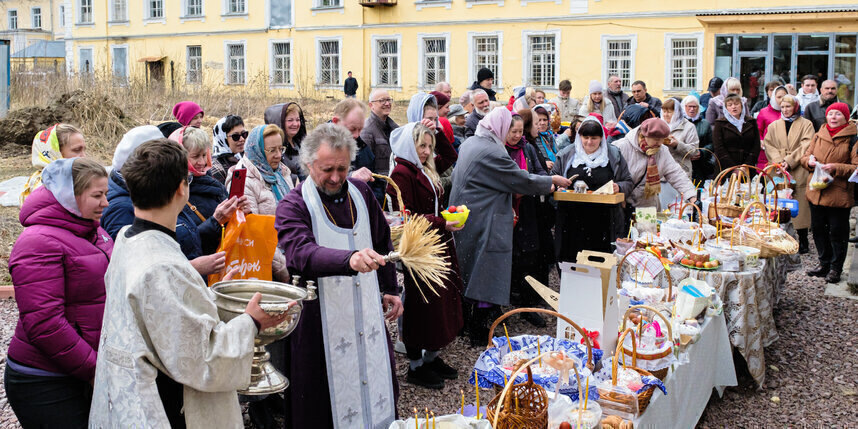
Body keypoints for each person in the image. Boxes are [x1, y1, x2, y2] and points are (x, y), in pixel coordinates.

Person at [89, 139, 289, 428]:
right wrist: (251, 322)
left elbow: (157, 316)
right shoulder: (162, 266)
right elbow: (203, 359)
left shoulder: (128, 239)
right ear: (183, 189)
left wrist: (208, 297)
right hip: (169, 405)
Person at [275, 123, 402, 428]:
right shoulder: (293, 204)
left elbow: (381, 239)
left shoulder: (359, 192)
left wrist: (390, 289)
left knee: (377, 389)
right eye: (327, 169)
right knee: (321, 404)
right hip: (318, 319)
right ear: (308, 165)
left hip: (367, 313)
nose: (335, 177)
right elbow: (301, 253)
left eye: (342, 169)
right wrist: (350, 259)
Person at [448, 107, 571, 344]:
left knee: (470, 268)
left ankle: (465, 322)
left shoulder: (472, 142)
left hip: (468, 215)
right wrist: (550, 181)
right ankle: (479, 329)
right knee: (486, 270)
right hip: (485, 219)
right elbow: (520, 179)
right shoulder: (492, 151)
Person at [6, 158, 111, 428]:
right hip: (45, 379)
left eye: (106, 194)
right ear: (69, 197)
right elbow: (44, 322)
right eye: (97, 196)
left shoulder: (92, 230)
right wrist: (93, 369)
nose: (106, 203)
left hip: (78, 369)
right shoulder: (38, 242)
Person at [388, 121, 462, 389]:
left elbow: (451, 156)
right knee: (423, 306)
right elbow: (403, 217)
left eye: (429, 146)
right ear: (411, 144)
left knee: (440, 302)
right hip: (419, 247)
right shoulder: (401, 173)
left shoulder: (423, 167)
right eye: (421, 145)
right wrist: (442, 221)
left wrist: (439, 133)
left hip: (437, 242)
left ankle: (432, 356)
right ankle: (416, 365)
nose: (426, 151)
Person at [102, 127, 227, 277]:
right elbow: (145, 277)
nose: (201, 162)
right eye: (186, 178)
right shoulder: (124, 210)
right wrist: (193, 269)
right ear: (180, 188)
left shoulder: (148, 208)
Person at [552, 117, 632, 261]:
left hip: (603, 220)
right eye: (585, 137)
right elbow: (553, 178)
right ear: (579, 136)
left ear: (601, 138)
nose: (589, 142)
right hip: (571, 219)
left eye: (594, 138)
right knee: (571, 259)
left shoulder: (613, 155)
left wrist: (618, 187)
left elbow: (628, 181)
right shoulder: (567, 155)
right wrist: (557, 186)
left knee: (599, 260)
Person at [801, 103, 858, 283]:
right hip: (816, 190)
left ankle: (835, 268)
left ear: (846, 117)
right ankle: (823, 263)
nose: (833, 117)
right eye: (830, 113)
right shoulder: (819, 134)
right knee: (818, 229)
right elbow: (805, 156)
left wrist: (835, 168)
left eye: (838, 114)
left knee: (837, 231)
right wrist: (808, 162)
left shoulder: (853, 138)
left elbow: (856, 167)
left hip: (838, 193)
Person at [505, 112, 551, 327]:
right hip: (507, 208)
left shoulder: (527, 148)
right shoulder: (500, 151)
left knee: (529, 255)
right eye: (512, 131)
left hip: (528, 208)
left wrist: (538, 183)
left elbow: (541, 171)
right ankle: (508, 300)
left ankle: (527, 304)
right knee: (510, 256)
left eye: (520, 131)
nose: (516, 136)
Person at [175, 126, 244, 256]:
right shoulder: (175, 193)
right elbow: (183, 242)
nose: (202, 162)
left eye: (204, 155)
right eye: (195, 156)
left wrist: (239, 210)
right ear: (179, 157)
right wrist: (215, 221)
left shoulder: (212, 183)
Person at [763, 94, 814, 254]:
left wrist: (790, 160)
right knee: (779, 203)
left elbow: (807, 143)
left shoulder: (806, 124)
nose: (785, 110)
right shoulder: (774, 125)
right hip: (778, 169)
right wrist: (779, 161)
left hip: (798, 167)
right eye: (783, 107)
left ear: (796, 107)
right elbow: (768, 144)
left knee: (800, 205)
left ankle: (803, 239)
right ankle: (781, 239)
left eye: (789, 107)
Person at [612, 118, 696, 209]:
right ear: (644, 135)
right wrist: (619, 195)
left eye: (662, 139)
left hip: (647, 206)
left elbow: (676, 173)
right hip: (621, 204)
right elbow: (608, 174)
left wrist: (691, 195)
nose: (660, 143)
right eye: (656, 139)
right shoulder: (621, 147)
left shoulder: (662, 150)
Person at [20, 123, 87, 203]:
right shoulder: (47, 186)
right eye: (76, 150)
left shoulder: (73, 178)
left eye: (84, 150)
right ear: (54, 153)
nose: (84, 156)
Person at [362, 88, 399, 203]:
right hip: (379, 191)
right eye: (382, 101)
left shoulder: (395, 128)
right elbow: (366, 166)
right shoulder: (366, 131)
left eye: (389, 100)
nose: (387, 104)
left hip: (394, 187)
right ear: (371, 105)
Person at [713, 94, 761, 171]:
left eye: (736, 104)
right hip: (726, 168)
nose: (733, 107)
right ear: (726, 108)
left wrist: (746, 165)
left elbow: (756, 145)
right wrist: (733, 168)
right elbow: (719, 148)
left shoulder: (751, 122)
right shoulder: (720, 123)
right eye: (730, 105)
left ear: (741, 106)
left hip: (747, 168)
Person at [331, 98, 374, 180]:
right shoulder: (318, 149)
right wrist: (350, 178)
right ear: (335, 121)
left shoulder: (363, 147)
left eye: (360, 129)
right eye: (352, 129)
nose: (357, 135)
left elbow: (377, 182)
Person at [265, 102, 307, 182]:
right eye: (290, 120)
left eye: (298, 120)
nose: (295, 124)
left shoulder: (299, 143)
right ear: (280, 122)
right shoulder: (274, 148)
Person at [661, 98, 700, 178]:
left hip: (681, 172)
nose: (666, 115)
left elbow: (694, 151)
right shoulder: (658, 125)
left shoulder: (689, 127)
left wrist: (677, 145)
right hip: (661, 173)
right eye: (664, 112)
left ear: (677, 113)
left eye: (669, 112)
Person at [681, 96, 717, 183]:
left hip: (701, 164)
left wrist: (701, 152)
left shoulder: (705, 124)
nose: (692, 109)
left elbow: (711, 143)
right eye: (689, 106)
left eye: (694, 106)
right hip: (683, 163)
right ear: (684, 107)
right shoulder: (680, 123)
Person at [756, 85, 790, 168]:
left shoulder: (791, 113)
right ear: (774, 97)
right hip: (767, 151)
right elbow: (758, 130)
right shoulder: (764, 112)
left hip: (787, 152)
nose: (782, 99)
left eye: (785, 96)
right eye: (779, 97)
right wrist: (760, 140)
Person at [210, 115, 247, 184]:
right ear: (223, 138)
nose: (242, 139)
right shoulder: (216, 168)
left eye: (244, 134)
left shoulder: (246, 158)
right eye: (236, 136)